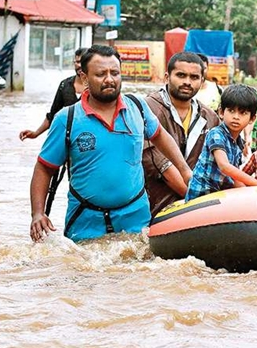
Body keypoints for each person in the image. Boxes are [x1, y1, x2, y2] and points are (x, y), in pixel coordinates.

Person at [28, 45, 193, 243]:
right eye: (100, 74)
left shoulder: (138, 108)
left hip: (135, 220)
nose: (109, 79)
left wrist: (185, 171)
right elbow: (44, 168)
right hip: (85, 222)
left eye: (114, 73)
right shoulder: (67, 119)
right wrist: (37, 213)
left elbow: (161, 136)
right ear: (84, 77)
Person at [142, 51, 221, 216]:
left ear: (202, 81)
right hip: (156, 205)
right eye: (181, 75)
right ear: (167, 77)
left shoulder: (209, 117)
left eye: (194, 77)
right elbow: (158, 163)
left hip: (197, 204)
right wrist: (198, 201)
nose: (187, 82)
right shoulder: (147, 108)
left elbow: (219, 163)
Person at [186, 85, 257, 201]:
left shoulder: (239, 144)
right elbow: (224, 167)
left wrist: (255, 192)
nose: (236, 117)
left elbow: (235, 178)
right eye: (231, 111)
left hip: (218, 196)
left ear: (252, 118)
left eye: (242, 113)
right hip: (201, 197)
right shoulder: (216, 134)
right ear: (221, 112)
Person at [20, 47, 88, 140]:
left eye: (82, 62)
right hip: (67, 139)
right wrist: (35, 133)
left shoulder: (95, 87)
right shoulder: (65, 85)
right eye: (76, 62)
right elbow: (53, 114)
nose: (79, 65)